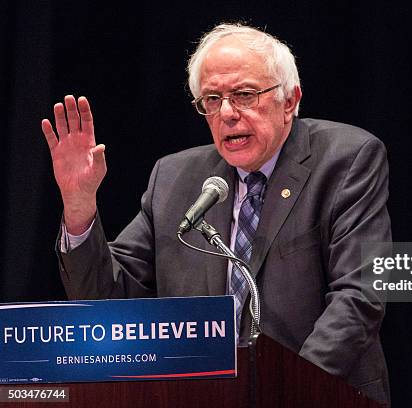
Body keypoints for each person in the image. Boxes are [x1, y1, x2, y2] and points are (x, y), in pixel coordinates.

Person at [41, 23, 391, 404]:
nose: (227, 113)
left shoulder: (347, 160)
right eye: (212, 99)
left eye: (244, 94)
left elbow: (360, 295)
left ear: (289, 100)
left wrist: (288, 388)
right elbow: (108, 302)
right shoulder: (176, 178)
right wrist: (79, 202)